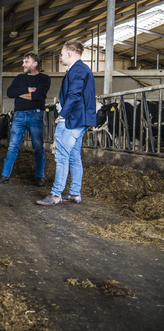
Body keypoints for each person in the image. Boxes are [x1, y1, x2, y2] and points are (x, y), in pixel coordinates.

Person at [36, 40, 96, 206]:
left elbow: (74, 95)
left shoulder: (77, 70)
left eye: (62, 54)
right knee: (74, 157)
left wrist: (63, 114)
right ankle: (75, 193)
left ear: (69, 54)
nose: (61, 57)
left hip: (72, 120)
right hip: (79, 120)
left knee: (61, 157)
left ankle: (56, 194)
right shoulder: (81, 69)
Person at [0, 53, 51, 187]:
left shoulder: (44, 78)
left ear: (35, 64)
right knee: (12, 146)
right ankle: (5, 175)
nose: (23, 64)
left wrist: (20, 93)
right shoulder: (19, 78)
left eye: (26, 62)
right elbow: (10, 93)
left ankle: (40, 176)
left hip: (35, 115)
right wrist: (28, 90)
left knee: (38, 147)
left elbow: (39, 95)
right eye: (23, 62)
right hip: (19, 115)